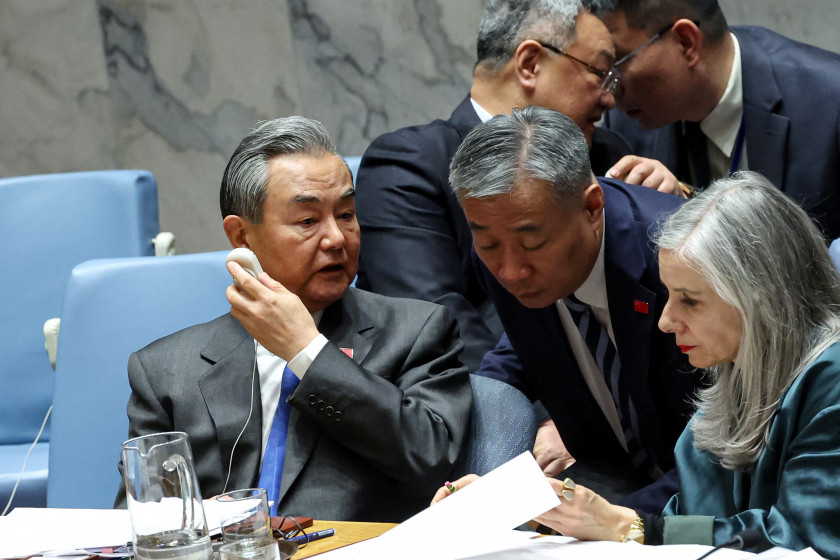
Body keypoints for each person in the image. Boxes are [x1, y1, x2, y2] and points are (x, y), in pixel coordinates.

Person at [437, 171, 840, 558]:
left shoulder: (832, 379)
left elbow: (803, 539)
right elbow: (690, 518)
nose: (666, 321)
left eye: (690, 300)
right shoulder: (733, 374)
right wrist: (527, 508)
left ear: (760, 297)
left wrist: (625, 525)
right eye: (669, 295)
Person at [116, 116, 472, 523]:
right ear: (241, 236)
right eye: (307, 221)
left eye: (347, 214)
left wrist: (308, 351)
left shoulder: (417, 331)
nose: (336, 238)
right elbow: (141, 519)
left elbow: (432, 458)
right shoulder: (164, 371)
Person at [355, 0, 683, 373]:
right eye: (599, 72)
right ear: (529, 65)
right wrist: (530, 404)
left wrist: (672, 212)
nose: (610, 99)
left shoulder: (605, 154)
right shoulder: (406, 165)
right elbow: (433, 328)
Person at [449, 105, 704, 509]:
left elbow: (730, 445)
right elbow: (523, 348)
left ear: (591, 208)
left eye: (533, 243)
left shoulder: (681, 259)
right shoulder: (506, 246)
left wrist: (615, 520)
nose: (511, 271)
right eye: (488, 243)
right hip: (610, 474)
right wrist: (477, 475)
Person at [588, 0, 840, 239]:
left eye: (618, 63)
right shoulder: (626, 123)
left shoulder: (830, 106)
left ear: (686, 42)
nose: (609, 92)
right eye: (602, 70)